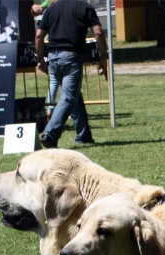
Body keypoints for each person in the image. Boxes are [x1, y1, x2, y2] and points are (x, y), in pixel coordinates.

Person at [35, 0, 108, 148]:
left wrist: (40, 58)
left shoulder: (52, 8)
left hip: (54, 58)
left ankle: (84, 134)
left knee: (74, 96)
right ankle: (50, 133)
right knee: (69, 98)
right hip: (71, 57)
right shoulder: (85, 7)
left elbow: (38, 36)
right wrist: (104, 56)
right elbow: (98, 33)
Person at [31, 0, 58, 119]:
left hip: (55, 50)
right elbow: (35, 12)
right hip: (56, 49)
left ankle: (52, 110)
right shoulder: (49, 2)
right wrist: (34, 8)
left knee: (56, 81)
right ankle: (52, 110)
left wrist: (40, 59)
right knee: (59, 82)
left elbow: (39, 36)